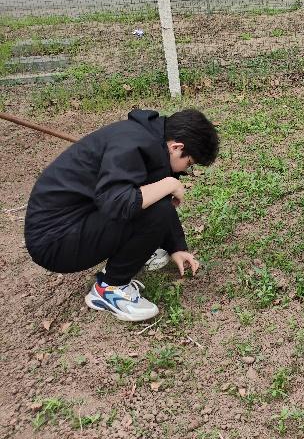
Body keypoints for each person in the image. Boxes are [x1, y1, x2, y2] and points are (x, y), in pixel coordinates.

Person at [24, 109, 219, 322]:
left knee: (155, 198)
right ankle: (110, 288)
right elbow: (117, 203)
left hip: (75, 220)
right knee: (156, 203)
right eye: (189, 164)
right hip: (55, 241)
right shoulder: (132, 145)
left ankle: (136, 250)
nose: (185, 171)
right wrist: (170, 183)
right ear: (176, 147)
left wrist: (176, 247)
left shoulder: (146, 139)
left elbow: (150, 195)